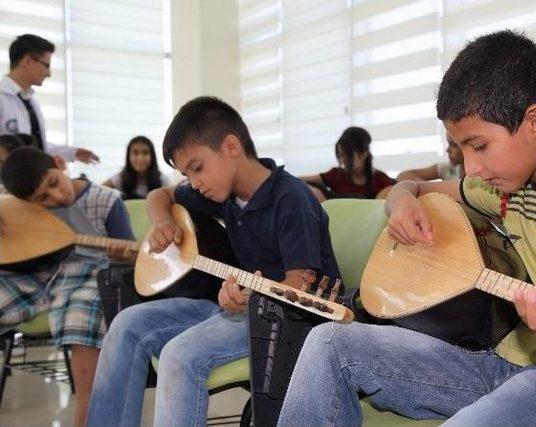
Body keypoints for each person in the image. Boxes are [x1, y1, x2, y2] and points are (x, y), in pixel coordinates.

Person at [277, 30, 536, 426]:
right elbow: (412, 185)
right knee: (330, 342)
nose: (471, 167)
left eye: (479, 146)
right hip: (507, 360)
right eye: (461, 148)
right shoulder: (508, 188)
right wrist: (401, 203)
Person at [87, 96, 341, 427]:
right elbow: (159, 195)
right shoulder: (227, 194)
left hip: (286, 322)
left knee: (178, 355)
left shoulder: (292, 201)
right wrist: (163, 222)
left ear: (231, 146)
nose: (194, 183)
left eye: (197, 168)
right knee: (125, 325)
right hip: (235, 308)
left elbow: (297, 289)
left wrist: (249, 299)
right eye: (187, 174)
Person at [0, 147, 135, 427]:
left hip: (93, 271)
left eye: (53, 183)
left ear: (60, 163)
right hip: (40, 272)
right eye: (42, 199)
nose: (57, 197)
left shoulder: (106, 200)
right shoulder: (21, 208)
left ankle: (86, 418)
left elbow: (134, 255)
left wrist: (124, 254)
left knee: (79, 315)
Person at [0, 34, 99, 163]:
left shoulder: (30, 101)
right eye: (46, 65)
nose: (49, 73)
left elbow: (38, 146)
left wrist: (73, 153)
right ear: (27, 61)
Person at [301, 126, 395, 201]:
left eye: (347, 155)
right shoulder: (336, 175)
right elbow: (298, 180)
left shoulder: (381, 180)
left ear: (363, 154)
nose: (342, 160)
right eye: (340, 155)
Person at [102, 135, 172, 199]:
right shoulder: (120, 178)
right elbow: (99, 192)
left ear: (152, 157)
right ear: (128, 157)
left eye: (145, 153)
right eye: (135, 153)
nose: (140, 158)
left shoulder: (163, 181)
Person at [396, 135, 465, 182]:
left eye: (453, 145)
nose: (447, 150)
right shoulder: (448, 168)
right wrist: (429, 188)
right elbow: (403, 176)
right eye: (448, 143)